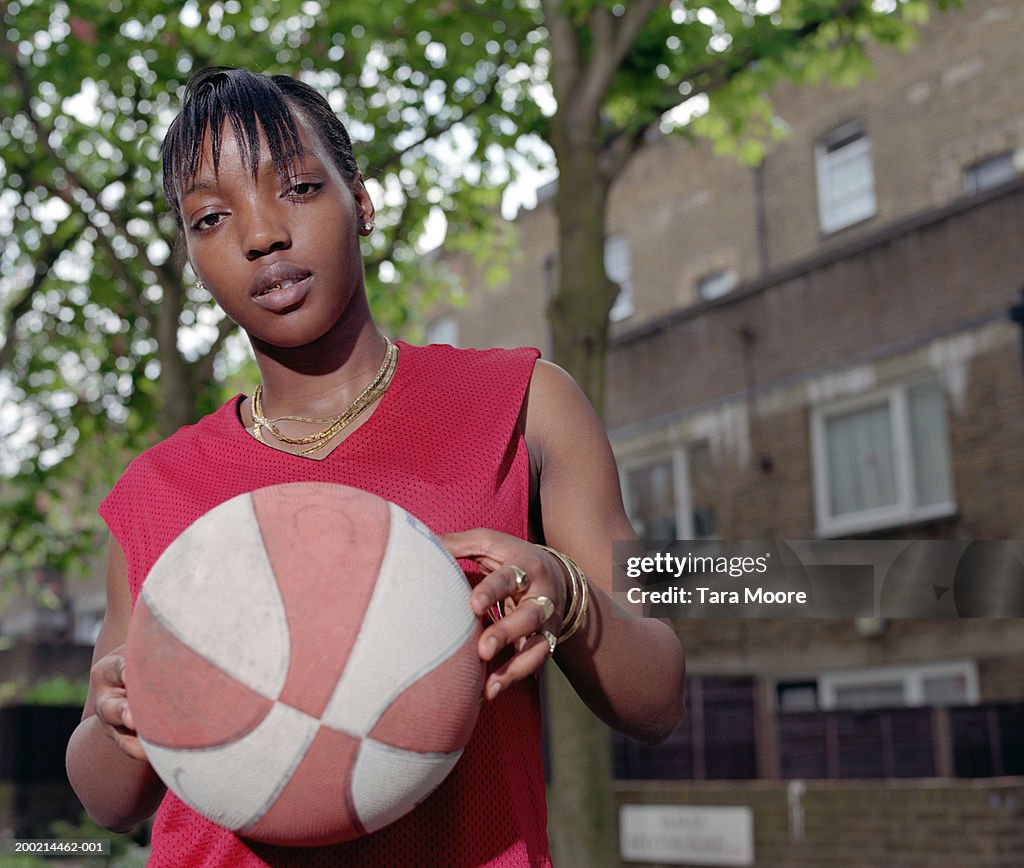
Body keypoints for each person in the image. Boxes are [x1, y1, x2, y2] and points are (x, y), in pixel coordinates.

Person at [65, 66, 685, 867]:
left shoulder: (523, 403)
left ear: (360, 202)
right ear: (191, 254)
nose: (261, 234)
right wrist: (124, 713)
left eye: (295, 187)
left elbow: (660, 697)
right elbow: (108, 799)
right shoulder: (158, 490)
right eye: (212, 216)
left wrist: (567, 598)